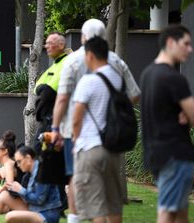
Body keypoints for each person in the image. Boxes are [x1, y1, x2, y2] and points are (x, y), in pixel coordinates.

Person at [50, 18, 140, 223]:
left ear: (84, 38)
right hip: (112, 139)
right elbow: (134, 94)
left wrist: (56, 128)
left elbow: (63, 99)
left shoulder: (74, 62)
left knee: (82, 186)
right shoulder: (116, 62)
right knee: (112, 200)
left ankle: (74, 219)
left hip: (82, 138)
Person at [140, 25, 194, 223]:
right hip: (175, 156)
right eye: (186, 44)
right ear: (171, 42)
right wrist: (190, 117)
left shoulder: (148, 74)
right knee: (166, 212)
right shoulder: (174, 79)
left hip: (157, 155)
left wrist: (185, 115)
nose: (190, 49)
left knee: (180, 213)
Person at [71, 36, 124, 223]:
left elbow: (76, 118)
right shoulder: (118, 78)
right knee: (113, 203)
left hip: (91, 147)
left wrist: (76, 142)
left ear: (90, 55)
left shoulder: (88, 81)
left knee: (96, 206)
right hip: (113, 148)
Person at [0, 146, 62, 223]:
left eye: (19, 161)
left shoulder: (41, 173)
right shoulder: (31, 173)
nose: (18, 165)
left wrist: (20, 190)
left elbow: (39, 200)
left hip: (47, 215)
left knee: (11, 216)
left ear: (28, 158)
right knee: (5, 196)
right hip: (36, 209)